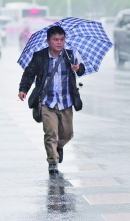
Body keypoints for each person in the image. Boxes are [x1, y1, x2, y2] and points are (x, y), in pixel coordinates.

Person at [18, 26, 85, 174]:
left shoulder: (70, 55)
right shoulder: (39, 56)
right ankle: (53, 162)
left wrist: (78, 68)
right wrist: (23, 89)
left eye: (62, 39)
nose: (59, 43)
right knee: (50, 133)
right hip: (47, 102)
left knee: (68, 134)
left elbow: (81, 69)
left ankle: (58, 147)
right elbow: (29, 74)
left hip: (66, 101)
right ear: (48, 41)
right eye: (55, 40)